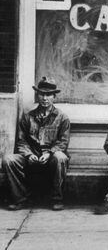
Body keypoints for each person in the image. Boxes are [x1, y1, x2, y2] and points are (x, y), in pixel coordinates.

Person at [2, 77, 70, 211]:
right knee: (8, 159)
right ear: (37, 95)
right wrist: (28, 154)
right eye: (42, 94)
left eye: (48, 95)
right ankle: (20, 198)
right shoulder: (28, 117)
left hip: (51, 158)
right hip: (31, 155)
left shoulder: (62, 117)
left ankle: (57, 198)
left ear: (54, 97)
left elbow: (63, 142)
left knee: (60, 157)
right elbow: (22, 141)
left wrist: (49, 153)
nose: (45, 98)